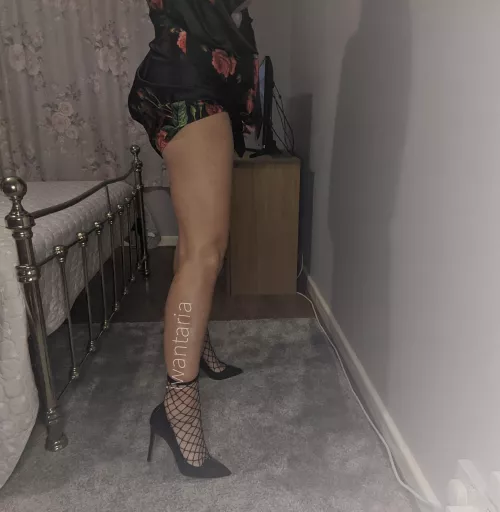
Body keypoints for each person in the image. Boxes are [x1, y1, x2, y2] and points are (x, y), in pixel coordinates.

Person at [128, 0, 259, 478]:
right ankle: (177, 409)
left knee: (193, 243)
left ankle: (197, 348)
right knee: (206, 251)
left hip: (185, 74)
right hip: (191, 79)